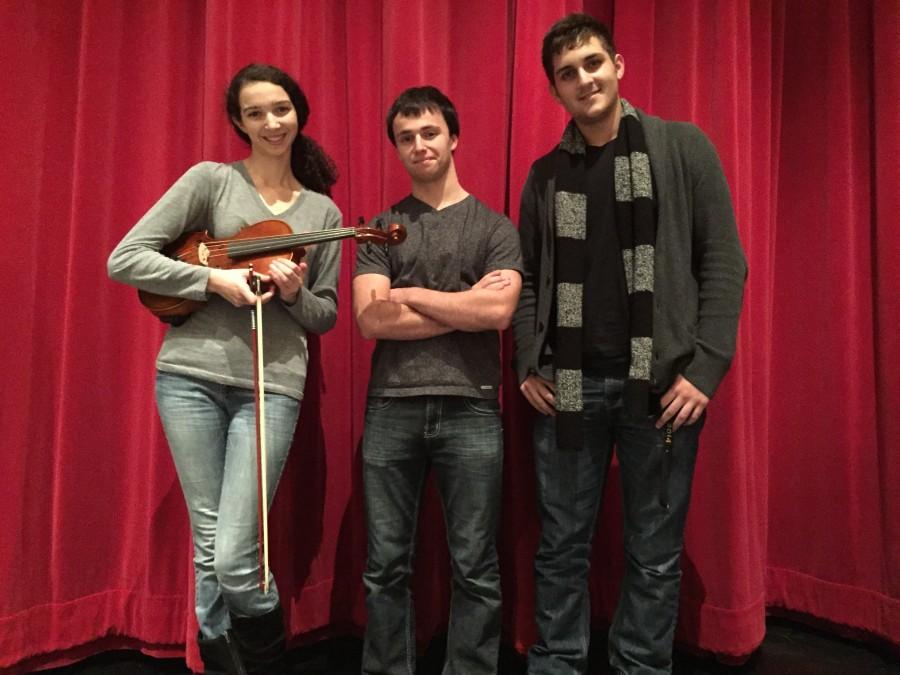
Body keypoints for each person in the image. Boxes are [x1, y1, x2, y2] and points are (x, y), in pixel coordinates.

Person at [511, 14, 748, 675]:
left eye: (591, 63)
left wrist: (704, 369)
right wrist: (529, 358)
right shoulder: (546, 177)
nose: (583, 79)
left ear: (618, 65)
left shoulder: (682, 148)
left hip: (663, 386)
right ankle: (557, 661)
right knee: (561, 545)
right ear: (555, 92)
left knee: (654, 551)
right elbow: (526, 277)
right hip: (571, 387)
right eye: (567, 73)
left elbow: (725, 260)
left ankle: (641, 666)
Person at [107, 63, 342, 674]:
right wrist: (216, 279)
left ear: (299, 113)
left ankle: (260, 661)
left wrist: (292, 295)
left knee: (236, 553)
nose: (271, 122)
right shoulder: (211, 181)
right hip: (189, 377)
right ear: (239, 122)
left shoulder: (322, 212)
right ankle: (223, 661)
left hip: (272, 383)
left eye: (281, 109)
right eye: (256, 112)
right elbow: (124, 259)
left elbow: (325, 317)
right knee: (210, 541)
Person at [353, 85, 523, 675]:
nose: (419, 145)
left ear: (454, 137)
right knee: (385, 566)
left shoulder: (495, 227)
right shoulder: (380, 228)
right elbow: (371, 319)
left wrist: (414, 295)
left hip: (472, 408)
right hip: (390, 408)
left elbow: (497, 315)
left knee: (474, 564)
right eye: (406, 137)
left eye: (429, 132)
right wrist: (462, 304)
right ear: (396, 148)